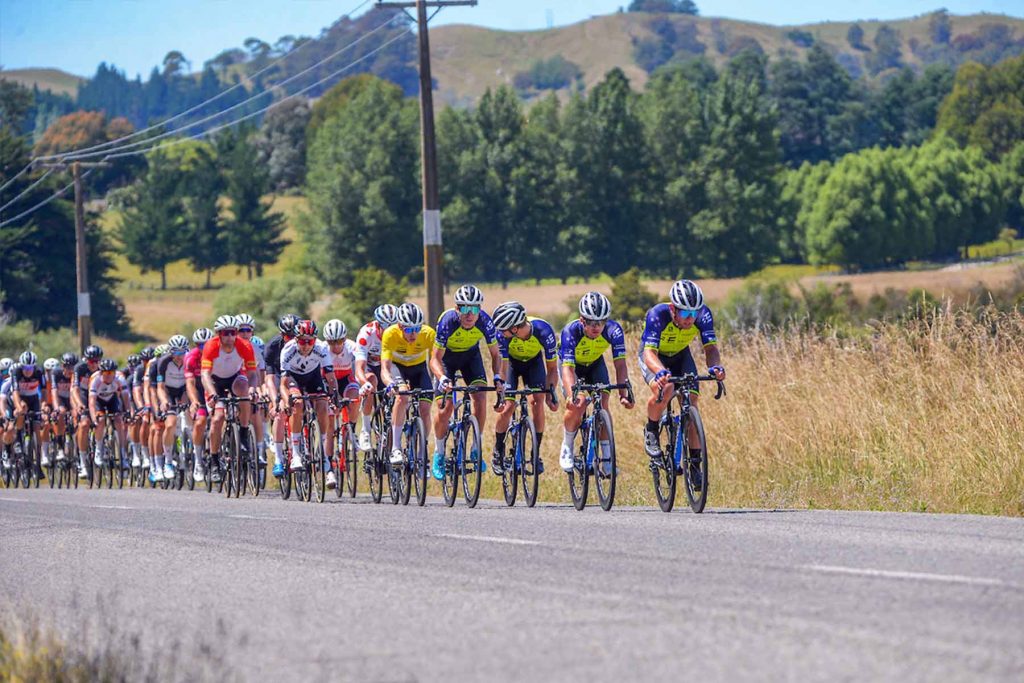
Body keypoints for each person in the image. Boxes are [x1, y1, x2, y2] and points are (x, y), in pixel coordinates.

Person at [639, 280, 725, 490]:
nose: (690, 319)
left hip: (680, 357)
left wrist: (716, 367)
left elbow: (711, 349)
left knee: (692, 402)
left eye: (693, 314)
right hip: (654, 357)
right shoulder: (657, 315)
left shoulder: (703, 315)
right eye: (685, 314)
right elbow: (649, 353)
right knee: (666, 388)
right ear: (672, 309)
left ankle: (695, 466)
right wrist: (659, 371)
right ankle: (651, 429)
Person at [429, 285, 502, 480]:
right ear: (457, 309)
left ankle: (475, 448)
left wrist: (497, 377)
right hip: (447, 360)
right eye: (465, 309)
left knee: (480, 396)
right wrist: (442, 378)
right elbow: (434, 359)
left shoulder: (485, 321)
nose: (470, 314)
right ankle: (439, 452)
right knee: (445, 406)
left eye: (475, 309)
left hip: (471, 357)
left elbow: (496, 355)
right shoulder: (447, 321)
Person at [558, 292, 634, 472]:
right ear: (582, 320)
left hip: (595, 365)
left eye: (601, 322)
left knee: (604, 405)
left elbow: (620, 365)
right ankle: (567, 445)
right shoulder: (571, 331)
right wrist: (572, 395)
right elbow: (568, 369)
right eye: (591, 322)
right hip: (572, 367)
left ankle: (607, 458)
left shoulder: (613, 330)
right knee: (579, 403)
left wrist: (624, 393)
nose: (596, 327)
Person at [490, 301, 559, 475]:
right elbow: (503, 368)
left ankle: (535, 453)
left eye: (503, 329)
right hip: (512, 365)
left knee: (537, 403)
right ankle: (498, 451)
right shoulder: (503, 336)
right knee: (508, 407)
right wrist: (502, 393)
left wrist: (551, 392)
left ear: (514, 328)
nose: (500, 333)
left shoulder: (544, 331)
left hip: (534, 363)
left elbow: (551, 368)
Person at [201, 315, 259, 477]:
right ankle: (213, 461)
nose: (230, 337)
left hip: (235, 377)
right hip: (215, 382)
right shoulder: (211, 346)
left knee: (245, 392)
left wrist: (253, 389)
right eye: (226, 333)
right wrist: (212, 394)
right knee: (218, 418)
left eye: (233, 332)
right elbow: (205, 374)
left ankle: (243, 432)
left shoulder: (245, 346)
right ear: (219, 334)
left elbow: (253, 374)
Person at [279, 320, 338, 479]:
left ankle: (324, 457)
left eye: (309, 341)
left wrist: (334, 395)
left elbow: (330, 377)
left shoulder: (321, 348)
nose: (306, 345)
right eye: (302, 341)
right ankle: (296, 453)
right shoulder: (288, 350)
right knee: (297, 404)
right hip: (294, 379)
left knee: (323, 406)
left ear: (314, 340)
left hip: (313, 378)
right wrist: (287, 401)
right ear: (296, 339)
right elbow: (283, 384)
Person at [380, 303, 435, 468]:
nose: (413, 334)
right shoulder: (390, 334)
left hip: (419, 369)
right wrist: (390, 383)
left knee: (425, 408)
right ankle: (396, 447)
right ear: (399, 326)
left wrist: (440, 380)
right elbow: (385, 368)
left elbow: (436, 361)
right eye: (409, 330)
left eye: (417, 328)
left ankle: (421, 453)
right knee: (402, 397)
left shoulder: (428, 334)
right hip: (398, 368)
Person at [352, 304, 397, 454]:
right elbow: (359, 368)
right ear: (378, 324)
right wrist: (364, 384)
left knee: (397, 395)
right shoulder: (366, 334)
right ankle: (365, 430)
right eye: (385, 327)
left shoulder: (398, 334)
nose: (388, 331)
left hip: (388, 366)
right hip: (369, 367)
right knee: (371, 381)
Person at [322, 318, 359, 487]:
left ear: (345, 339)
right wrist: (329, 396)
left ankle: (351, 428)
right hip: (328, 382)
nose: (336, 346)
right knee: (330, 425)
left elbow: (360, 368)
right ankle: (328, 467)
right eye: (332, 342)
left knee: (355, 397)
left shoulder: (352, 347)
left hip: (345, 379)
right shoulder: (322, 350)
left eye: (339, 341)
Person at [264, 314, 299, 478]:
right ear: (281, 335)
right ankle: (278, 459)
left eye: (294, 336)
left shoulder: (306, 344)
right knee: (279, 414)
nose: (291, 339)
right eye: (287, 336)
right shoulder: (272, 347)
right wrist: (274, 400)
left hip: (297, 376)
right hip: (279, 377)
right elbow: (270, 379)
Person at [154, 335, 190, 481]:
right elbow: (160, 387)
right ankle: (168, 462)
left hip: (184, 390)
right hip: (168, 391)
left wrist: (187, 397)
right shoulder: (163, 362)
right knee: (170, 424)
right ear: (170, 352)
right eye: (176, 353)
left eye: (182, 353)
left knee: (191, 419)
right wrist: (163, 401)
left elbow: (192, 383)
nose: (179, 357)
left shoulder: (190, 359)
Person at [10, 352, 50, 468]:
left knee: (37, 427)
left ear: (34, 366)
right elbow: (15, 393)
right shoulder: (16, 372)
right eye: (25, 368)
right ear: (21, 366)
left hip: (33, 399)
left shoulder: (39, 372)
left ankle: (39, 457)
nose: (27, 370)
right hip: (20, 398)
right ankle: (18, 437)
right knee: (22, 409)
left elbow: (43, 391)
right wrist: (18, 408)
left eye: (30, 367)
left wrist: (43, 404)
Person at [88, 358, 130, 468]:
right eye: (106, 373)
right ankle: (98, 448)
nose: (108, 375)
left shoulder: (120, 378)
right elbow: (92, 402)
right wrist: (93, 419)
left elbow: (125, 397)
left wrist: (128, 412)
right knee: (100, 420)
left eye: (111, 372)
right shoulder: (95, 380)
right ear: (101, 373)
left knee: (119, 421)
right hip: (99, 401)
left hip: (112, 399)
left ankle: (122, 454)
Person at [185, 327, 214, 482]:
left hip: (213, 388)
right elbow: (189, 384)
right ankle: (198, 460)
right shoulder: (191, 357)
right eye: (200, 345)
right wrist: (194, 401)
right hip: (198, 391)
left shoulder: (217, 354)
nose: (204, 348)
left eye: (207, 345)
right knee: (201, 421)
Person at [72, 345, 103, 477]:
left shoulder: (103, 368)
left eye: (97, 361)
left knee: (101, 419)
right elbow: (75, 389)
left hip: (99, 396)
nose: (94, 364)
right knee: (84, 424)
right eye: (91, 361)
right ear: (86, 360)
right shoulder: (79, 368)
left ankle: (100, 450)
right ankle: (83, 462)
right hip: (84, 396)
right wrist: (78, 404)